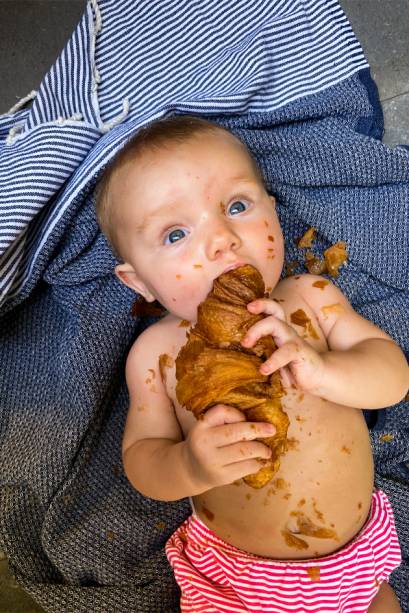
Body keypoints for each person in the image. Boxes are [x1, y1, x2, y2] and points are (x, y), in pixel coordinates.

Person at [95, 115, 408, 612]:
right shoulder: (156, 355)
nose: (221, 238)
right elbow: (142, 459)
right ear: (140, 283)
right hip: (237, 581)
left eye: (237, 206)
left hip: (357, 565)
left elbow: (393, 377)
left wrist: (325, 370)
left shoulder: (311, 298)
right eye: (175, 234)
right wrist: (189, 465)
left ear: (274, 213)